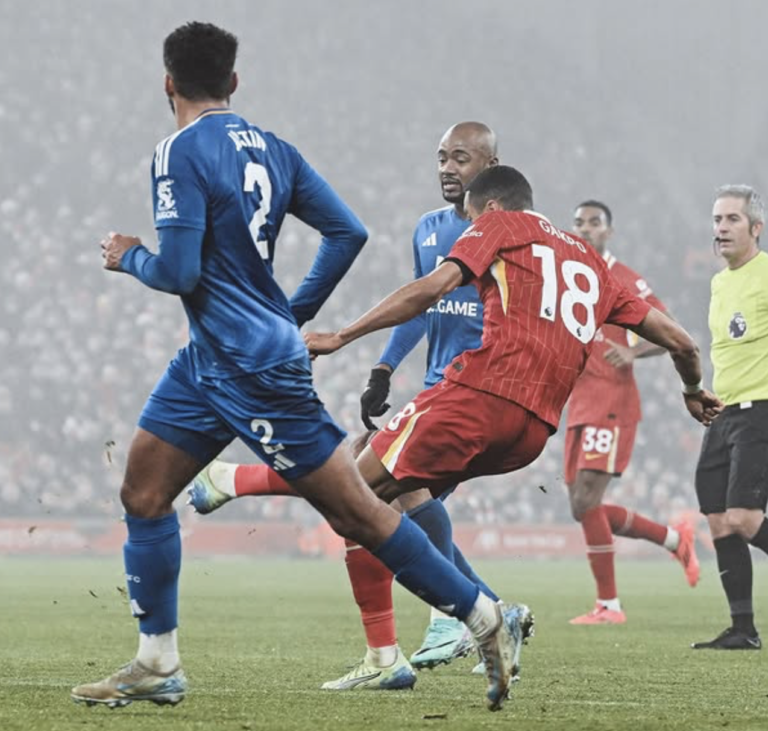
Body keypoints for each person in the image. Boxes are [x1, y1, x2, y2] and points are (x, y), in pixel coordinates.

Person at [70, 23, 530, 714]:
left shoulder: (177, 152)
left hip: (252, 364)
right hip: (212, 359)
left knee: (359, 513)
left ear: (168, 84)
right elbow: (347, 231)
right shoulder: (274, 149)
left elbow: (178, 269)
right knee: (143, 491)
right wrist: (293, 310)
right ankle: (157, 659)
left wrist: (128, 255)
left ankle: (481, 613)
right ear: (233, 83)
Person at [303, 164, 722, 662]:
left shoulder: (499, 226)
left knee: (351, 493)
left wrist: (341, 335)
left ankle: (470, 622)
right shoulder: (591, 262)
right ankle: (472, 619)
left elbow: (431, 288)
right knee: (403, 500)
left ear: (492, 208)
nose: (470, 224)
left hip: (480, 396)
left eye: (473, 216)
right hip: (533, 431)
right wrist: (693, 390)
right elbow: (682, 341)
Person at [187, 122, 504, 682]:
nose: (447, 169)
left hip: (475, 395)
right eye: (440, 158)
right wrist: (384, 367)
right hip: (436, 388)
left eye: (461, 158)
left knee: (363, 489)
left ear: (491, 163)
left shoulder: (509, 234)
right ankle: (463, 619)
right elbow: (420, 306)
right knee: (378, 493)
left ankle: (462, 616)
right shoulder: (429, 229)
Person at [565, 201, 700, 625]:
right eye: (579, 223)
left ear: (609, 232)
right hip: (577, 402)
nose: (585, 230)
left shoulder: (623, 279)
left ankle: (610, 606)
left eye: (595, 223)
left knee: (586, 499)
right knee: (580, 505)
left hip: (611, 402)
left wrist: (633, 349)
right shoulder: (568, 276)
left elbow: (671, 332)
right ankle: (675, 539)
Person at [691, 185, 768, 650]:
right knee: (719, 521)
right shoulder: (720, 282)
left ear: (755, 228)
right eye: (717, 219)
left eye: (732, 220)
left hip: (761, 409)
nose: (720, 228)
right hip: (723, 411)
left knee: (743, 518)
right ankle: (743, 628)